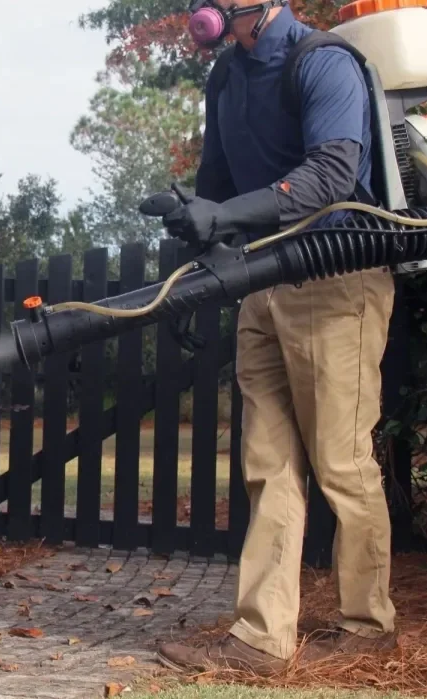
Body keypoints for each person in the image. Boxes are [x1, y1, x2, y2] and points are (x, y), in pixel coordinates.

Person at [154, 0, 398, 677]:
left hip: (335, 278)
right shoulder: (225, 76)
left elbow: (329, 175)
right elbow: (217, 186)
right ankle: (261, 637)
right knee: (267, 463)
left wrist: (225, 213)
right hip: (263, 282)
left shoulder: (321, 63)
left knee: (341, 462)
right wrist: (185, 272)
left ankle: (367, 624)